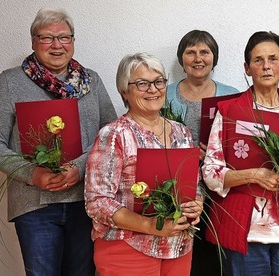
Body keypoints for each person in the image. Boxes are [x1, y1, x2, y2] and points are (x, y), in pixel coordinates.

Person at [0, 8, 116, 275]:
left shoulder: (92, 81)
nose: (57, 45)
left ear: (73, 42)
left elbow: (110, 134)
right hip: (35, 205)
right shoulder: (10, 82)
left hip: (85, 201)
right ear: (33, 41)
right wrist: (33, 174)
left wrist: (79, 168)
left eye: (64, 37)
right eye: (47, 38)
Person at [202, 31, 279, 276]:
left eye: (273, 59)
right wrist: (253, 175)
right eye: (258, 60)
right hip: (245, 235)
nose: (266, 66)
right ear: (247, 68)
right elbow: (210, 171)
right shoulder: (229, 111)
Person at [85, 53, 203, 275]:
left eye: (159, 81)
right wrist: (151, 226)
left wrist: (197, 202)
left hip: (178, 248)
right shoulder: (114, 134)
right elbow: (97, 202)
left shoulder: (182, 132)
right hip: (128, 248)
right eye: (142, 83)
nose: (153, 89)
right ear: (124, 92)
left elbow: (194, 185)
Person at [166, 29, 239, 276]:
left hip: (221, 190)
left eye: (204, 52)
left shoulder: (233, 95)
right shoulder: (163, 94)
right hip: (177, 188)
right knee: (182, 256)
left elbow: (243, 143)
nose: (198, 58)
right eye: (191, 52)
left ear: (214, 58)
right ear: (181, 59)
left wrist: (217, 154)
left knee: (215, 258)